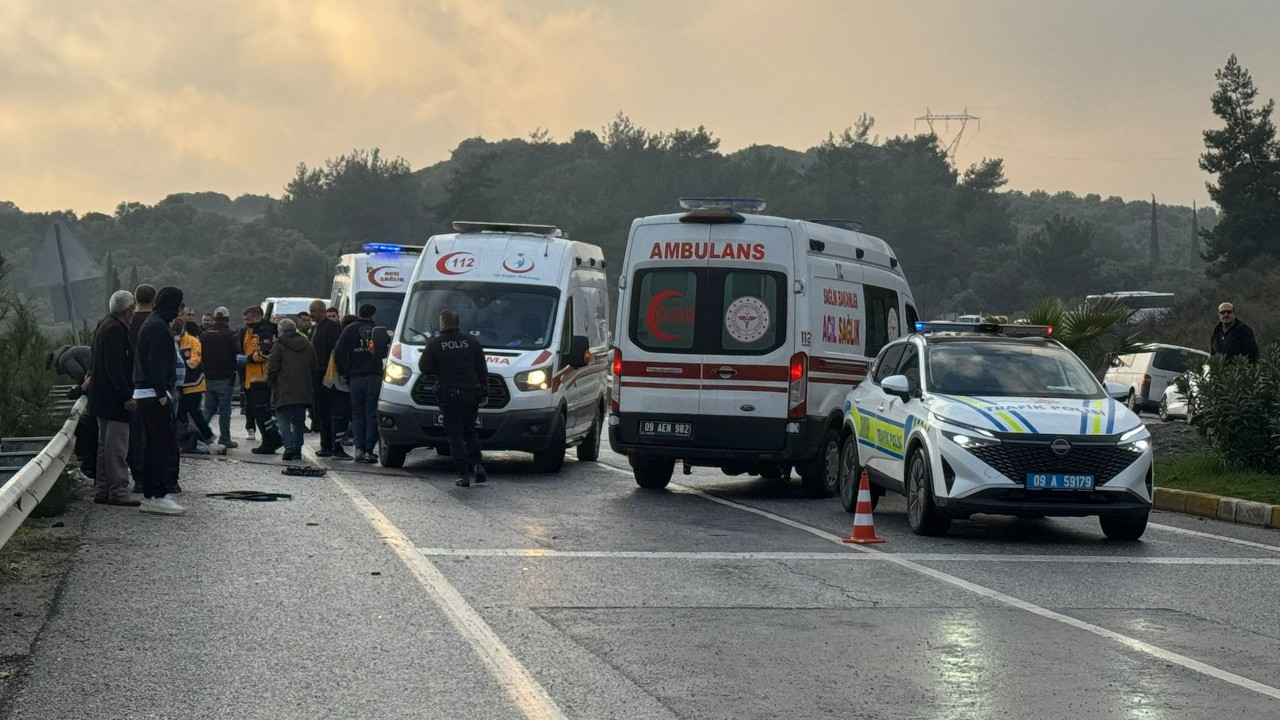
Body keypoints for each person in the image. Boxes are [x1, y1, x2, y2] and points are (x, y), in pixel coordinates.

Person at [133, 286, 185, 516]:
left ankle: (154, 492)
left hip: (148, 393)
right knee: (160, 444)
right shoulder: (158, 328)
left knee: (153, 444)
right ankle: (157, 494)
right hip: (154, 395)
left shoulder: (153, 324)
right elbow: (155, 363)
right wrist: (163, 393)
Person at [421, 309, 488, 486]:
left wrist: (434, 356)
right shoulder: (472, 342)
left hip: (449, 395)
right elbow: (482, 369)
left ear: (442, 323)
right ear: (457, 323)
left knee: (455, 435)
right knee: (470, 431)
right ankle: (478, 466)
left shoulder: (435, 344)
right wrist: (484, 392)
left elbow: (424, 368)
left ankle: (463, 474)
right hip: (471, 393)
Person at [88, 290, 139, 507]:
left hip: (100, 397)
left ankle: (103, 488)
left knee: (104, 446)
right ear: (127, 309)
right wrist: (127, 396)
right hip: (114, 399)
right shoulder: (116, 331)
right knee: (116, 447)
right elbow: (116, 367)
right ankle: (118, 490)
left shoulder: (104, 325)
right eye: (132, 309)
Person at [334, 306, 384, 462]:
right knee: (371, 414)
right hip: (375, 376)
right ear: (372, 314)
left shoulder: (349, 329)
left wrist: (344, 372)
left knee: (357, 414)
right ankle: (369, 450)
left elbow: (339, 352)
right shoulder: (378, 330)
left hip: (355, 377)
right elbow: (385, 350)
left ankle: (359, 449)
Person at [268, 318, 319, 461]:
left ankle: (288, 446)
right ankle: (297, 449)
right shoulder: (308, 345)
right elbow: (315, 367)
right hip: (303, 389)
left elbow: (272, 366)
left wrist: (271, 381)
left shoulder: (278, 345)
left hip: (283, 388)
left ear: (282, 331)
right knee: (298, 421)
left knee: (282, 418)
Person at [240, 306, 283, 454]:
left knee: (261, 411)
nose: (245, 322)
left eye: (248, 319)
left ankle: (270, 440)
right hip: (251, 377)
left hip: (261, 377)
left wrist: (249, 358)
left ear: (256, 317)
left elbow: (267, 353)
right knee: (257, 411)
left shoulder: (265, 331)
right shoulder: (250, 331)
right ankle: (272, 438)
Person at [126, 284, 156, 491]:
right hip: (154, 387)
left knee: (134, 434)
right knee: (155, 433)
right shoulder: (157, 323)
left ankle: (138, 477)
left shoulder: (126, 322)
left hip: (129, 384)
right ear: (154, 299)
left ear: (135, 300)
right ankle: (155, 476)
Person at [174, 307, 216, 447]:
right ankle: (186, 439)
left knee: (195, 413)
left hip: (194, 384)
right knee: (180, 414)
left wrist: (178, 364)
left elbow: (194, 362)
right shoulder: (172, 340)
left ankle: (208, 437)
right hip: (179, 385)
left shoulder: (193, 342)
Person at [200, 306, 239, 448]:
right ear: (227, 319)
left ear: (214, 319)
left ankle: (200, 434)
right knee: (224, 409)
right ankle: (225, 438)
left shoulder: (204, 335)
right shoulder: (231, 335)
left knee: (208, 409)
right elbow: (237, 353)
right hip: (225, 377)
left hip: (208, 377)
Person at [308, 299, 342, 458]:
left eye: (313, 311)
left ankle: (331, 445)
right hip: (317, 376)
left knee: (329, 412)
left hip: (327, 377)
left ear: (322, 311)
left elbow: (334, 352)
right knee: (321, 412)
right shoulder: (315, 328)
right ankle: (326, 445)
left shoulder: (332, 328)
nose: (311, 314)